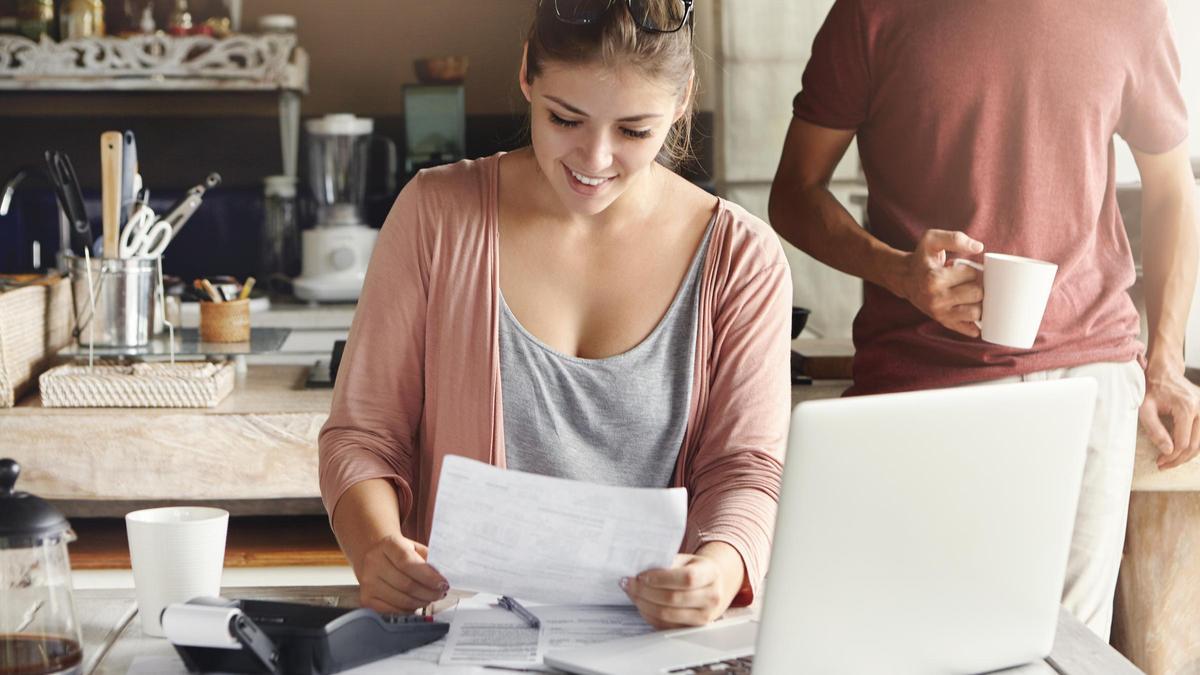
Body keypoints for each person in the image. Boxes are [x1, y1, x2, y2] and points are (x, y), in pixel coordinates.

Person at [319, 0, 791, 630]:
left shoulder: (743, 258)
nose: (594, 160)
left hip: (653, 648)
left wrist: (722, 568)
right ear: (527, 76)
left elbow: (746, 469)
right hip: (462, 642)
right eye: (566, 119)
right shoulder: (436, 215)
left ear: (682, 101)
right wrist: (374, 548)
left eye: (633, 131)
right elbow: (363, 437)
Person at [769, 0, 1197, 639]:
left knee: (1063, 651)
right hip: (922, 385)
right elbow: (794, 192)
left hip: (1092, 377)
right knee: (929, 646)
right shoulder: (871, 12)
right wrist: (899, 273)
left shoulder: (1132, 11)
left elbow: (1172, 189)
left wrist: (1163, 363)